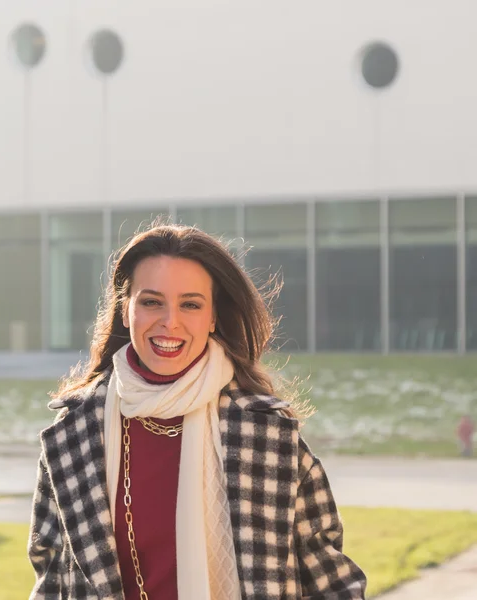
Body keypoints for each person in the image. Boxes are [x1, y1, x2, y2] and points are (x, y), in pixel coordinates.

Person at [28, 223, 366, 600]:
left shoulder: (267, 435)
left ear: (213, 317)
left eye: (190, 304)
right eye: (151, 301)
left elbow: (333, 583)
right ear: (126, 311)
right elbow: (51, 577)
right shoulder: (74, 434)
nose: (170, 322)